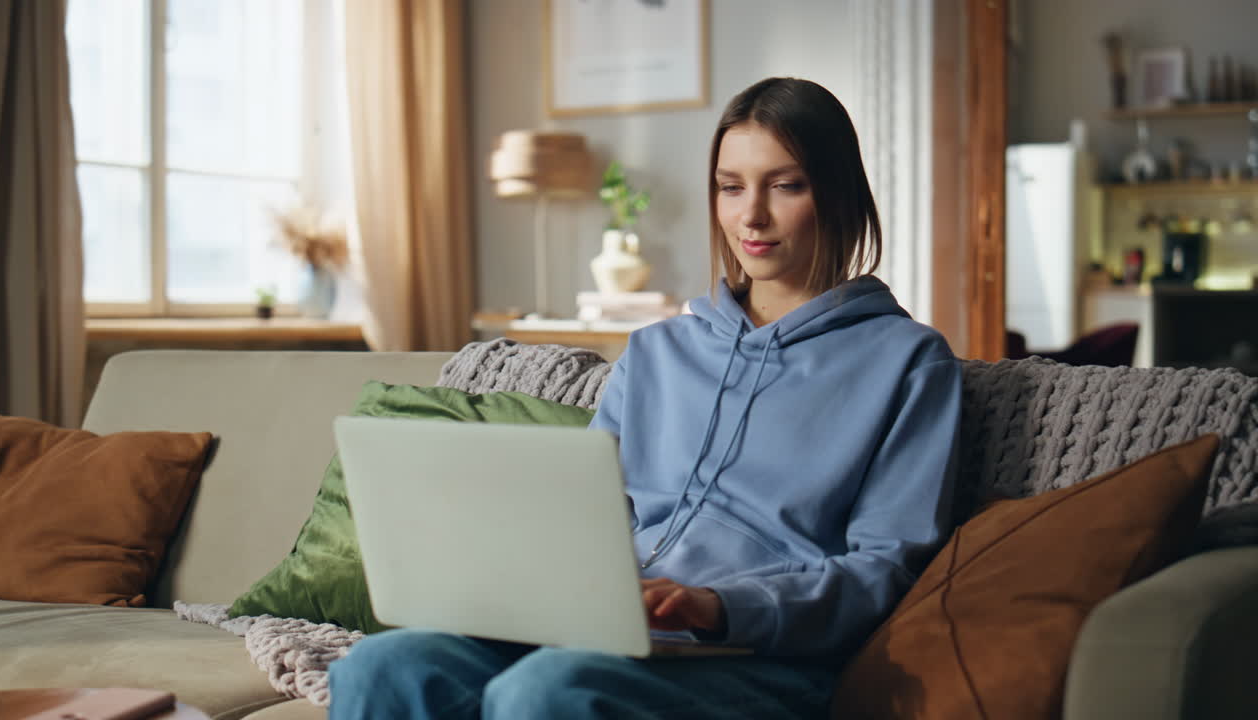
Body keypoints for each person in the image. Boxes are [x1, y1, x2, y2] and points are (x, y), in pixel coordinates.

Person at [328, 76, 962, 719]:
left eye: (786, 185)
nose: (752, 216)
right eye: (731, 186)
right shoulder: (658, 351)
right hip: (607, 631)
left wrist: (717, 607)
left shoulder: (907, 363)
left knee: (548, 691)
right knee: (384, 667)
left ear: (837, 193)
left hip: (759, 656)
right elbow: (590, 518)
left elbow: (884, 570)